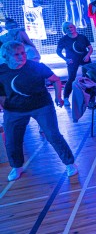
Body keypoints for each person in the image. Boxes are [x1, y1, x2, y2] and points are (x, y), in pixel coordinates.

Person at [1, 41, 77, 181]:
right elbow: (1, 94)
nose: (21, 56)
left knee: (53, 135)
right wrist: (4, 108)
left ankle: (69, 163)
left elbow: (56, 80)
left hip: (41, 106)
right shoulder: (2, 71)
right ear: (6, 57)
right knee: (12, 139)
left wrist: (58, 97)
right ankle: (17, 166)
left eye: (23, 53)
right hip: (14, 110)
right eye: (16, 54)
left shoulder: (36, 66)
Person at [56, 22, 93, 106]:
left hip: (84, 59)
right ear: (64, 30)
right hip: (72, 60)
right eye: (67, 28)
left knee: (88, 78)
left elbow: (90, 48)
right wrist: (66, 59)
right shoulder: (63, 39)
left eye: (71, 27)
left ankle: (90, 98)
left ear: (74, 27)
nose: (70, 29)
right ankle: (66, 98)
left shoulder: (82, 37)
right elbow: (58, 51)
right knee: (71, 78)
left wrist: (88, 55)